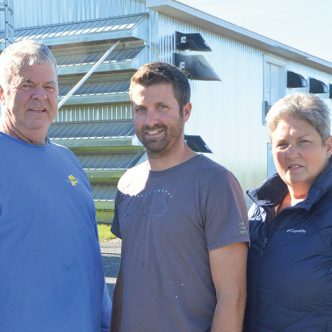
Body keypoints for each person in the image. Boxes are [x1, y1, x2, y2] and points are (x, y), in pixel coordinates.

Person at [111, 62, 249, 332]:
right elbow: (125, 282)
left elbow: (233, 298)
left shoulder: (215, 184)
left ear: (186, 111)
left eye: (161, 107)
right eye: (141, 109)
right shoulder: (127, 184)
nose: (150, 121)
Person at [0, 40, 111, 332]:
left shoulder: (69, 162)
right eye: (27, 85)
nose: (40, 95)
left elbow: (90, 257)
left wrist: (106, 321)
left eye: (49, 86)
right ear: (2, 93)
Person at [244, 93, 332, 331]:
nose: (292, 153)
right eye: (282, 144)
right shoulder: (259, 209)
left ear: (328, 145)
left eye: (304, 141)